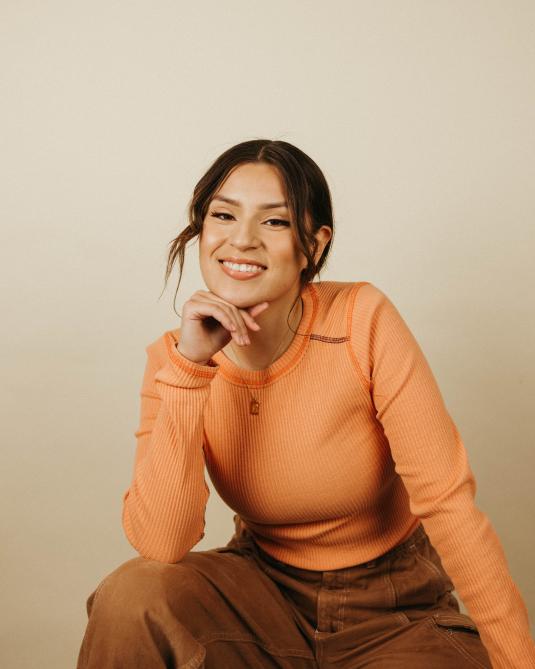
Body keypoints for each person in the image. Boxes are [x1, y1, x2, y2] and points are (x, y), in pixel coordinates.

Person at [76, 139, 535, 669]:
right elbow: (162, 542)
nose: (241, 240)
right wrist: (190, 369)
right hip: (260, 598)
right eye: (223, 215)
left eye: (274, 222)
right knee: (134, 594)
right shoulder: (175, 360)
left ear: (313, 247)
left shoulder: (362, 320)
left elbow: (449, 504)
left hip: (392, 612)